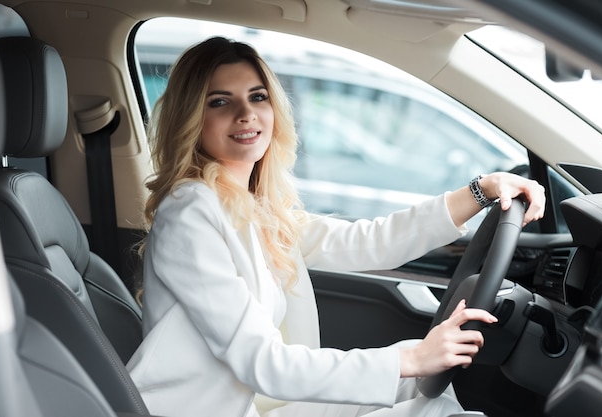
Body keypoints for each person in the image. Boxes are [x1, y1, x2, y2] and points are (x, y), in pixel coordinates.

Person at [127, 36, 546, 417]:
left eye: (257, 97)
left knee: (427, 394)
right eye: (219, 102)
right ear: (190, 118)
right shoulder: (191, 209)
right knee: (428, 399)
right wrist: (413, 358)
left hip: (256, 404)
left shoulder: (253, 206)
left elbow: (369, 242)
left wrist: (480, 191)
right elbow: (263, 363)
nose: (246, 114)